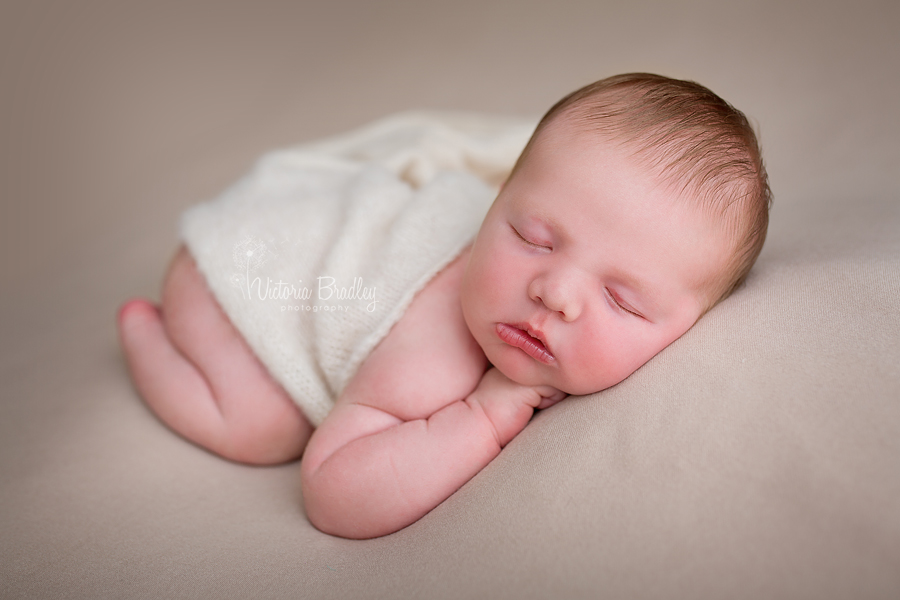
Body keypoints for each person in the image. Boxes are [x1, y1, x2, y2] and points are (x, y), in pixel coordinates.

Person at [117, 73, 771, 539]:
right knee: (268, 427)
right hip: (242, 268)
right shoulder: (432, 346)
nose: (557, 293)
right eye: (532, 237)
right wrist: (478, 419)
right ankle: (147, 337)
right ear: (497, 202)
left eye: (622, 301)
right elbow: (333, 493)